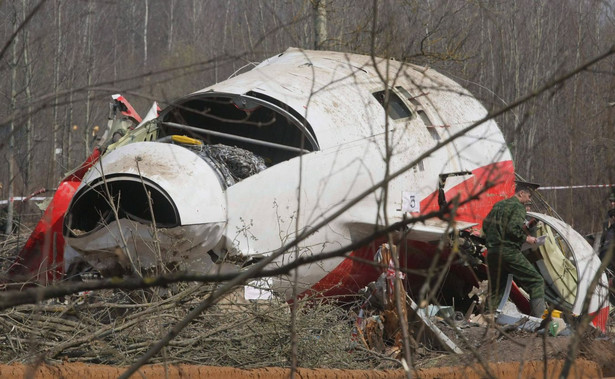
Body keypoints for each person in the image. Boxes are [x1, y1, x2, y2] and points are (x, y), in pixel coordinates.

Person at [482, 180, 546, 317]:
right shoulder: (518, 207)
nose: (529, 200)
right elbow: (512, 228)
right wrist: (527, 238)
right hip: (508, 251)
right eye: (529, 196)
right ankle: (539, 321)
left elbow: (485, 226)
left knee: (496, 288)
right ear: (521, 193)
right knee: (536, 281)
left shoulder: (498, 205)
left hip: (492, 252)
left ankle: (488, 318)